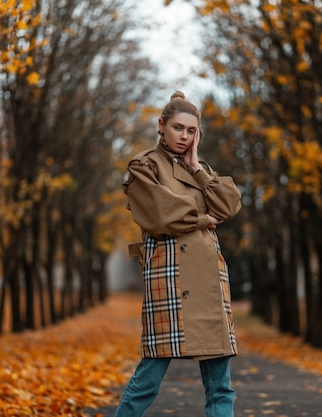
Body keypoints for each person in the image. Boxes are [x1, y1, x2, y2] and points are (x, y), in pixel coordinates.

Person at [116, 91, 242, 417]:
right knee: (148, 381)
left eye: (191, 131)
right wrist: (204, 219)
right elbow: (161, 214)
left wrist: (197, 167)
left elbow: (228, 205)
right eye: (178, 128)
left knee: (220, 386)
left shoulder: (201, 169)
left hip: (209, 280)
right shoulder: (144, 166)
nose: (184, 137)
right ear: (161, 125)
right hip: (169, 276)